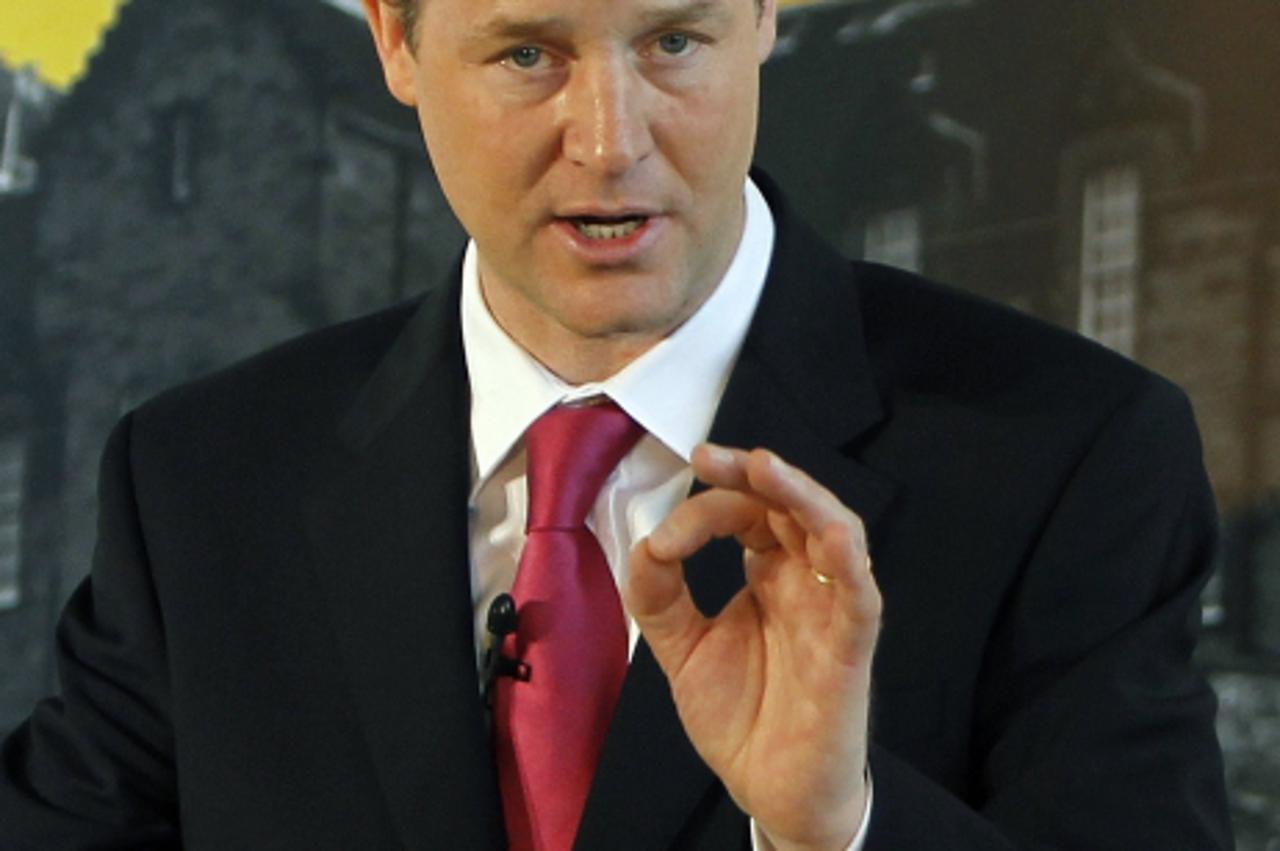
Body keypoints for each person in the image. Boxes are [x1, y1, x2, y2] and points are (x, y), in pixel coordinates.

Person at [0, 0, 1232, 848]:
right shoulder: (200, 481)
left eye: (673, 41)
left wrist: (839, 828)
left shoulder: (1074, 456)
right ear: (395, 38)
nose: (610, 140)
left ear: (762, 18)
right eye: (528, 53)